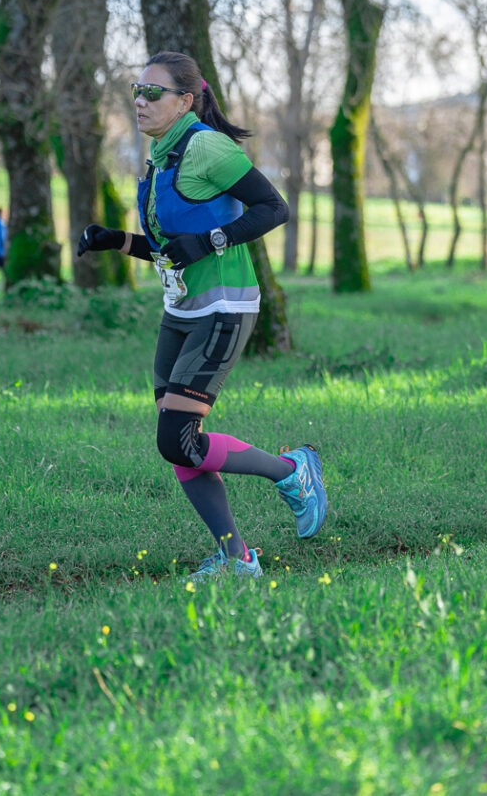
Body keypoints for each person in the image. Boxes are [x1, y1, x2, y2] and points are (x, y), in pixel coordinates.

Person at [78, 50, 327, 581]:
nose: (140, 101)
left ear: (185, 100)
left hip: (223, 308)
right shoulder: (161, 154)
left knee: (177, 439)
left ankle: (292, 469)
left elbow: (273, 208)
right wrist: (115, 240)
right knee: (180, 445)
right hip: (180, 310)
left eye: (153, 92)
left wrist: (213, 240)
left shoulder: (206, 147)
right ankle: (237, 559)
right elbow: (174, 248)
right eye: (136, 91)